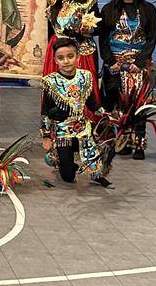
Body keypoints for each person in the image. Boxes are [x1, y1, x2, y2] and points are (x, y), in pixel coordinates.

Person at [97, 0, 156, 160]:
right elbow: (104, 39)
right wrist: (110, 60)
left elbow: (151, 39)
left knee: (140, 105)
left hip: (139, 65)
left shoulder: (149, 10)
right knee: (116, 102)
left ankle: (138, 143)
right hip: (115, 65)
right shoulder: (108, 9)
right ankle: (120, 140)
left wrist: (140, 62)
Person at [40, 37, 112, 187]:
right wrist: (46, 136)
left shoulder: (85, 77)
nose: (66, 61)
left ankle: (96, 174)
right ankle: (63, 162)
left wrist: (106, 115)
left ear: (78, 57)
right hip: (63, 132)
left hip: (82, 128)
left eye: (70, 56)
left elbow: (92, 103)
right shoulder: (51, 82)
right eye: (61, 58)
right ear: (55, 60)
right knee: (68, 177)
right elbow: (45, 111)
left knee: (95, 159)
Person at [42, 0, 102, 102]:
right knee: (57, 91)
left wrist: (87, 30)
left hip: (82, 51)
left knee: (82, 91)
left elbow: (99, 27)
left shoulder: (88, 0)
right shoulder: (52, 1)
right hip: (58, 49)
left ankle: (84, 122)